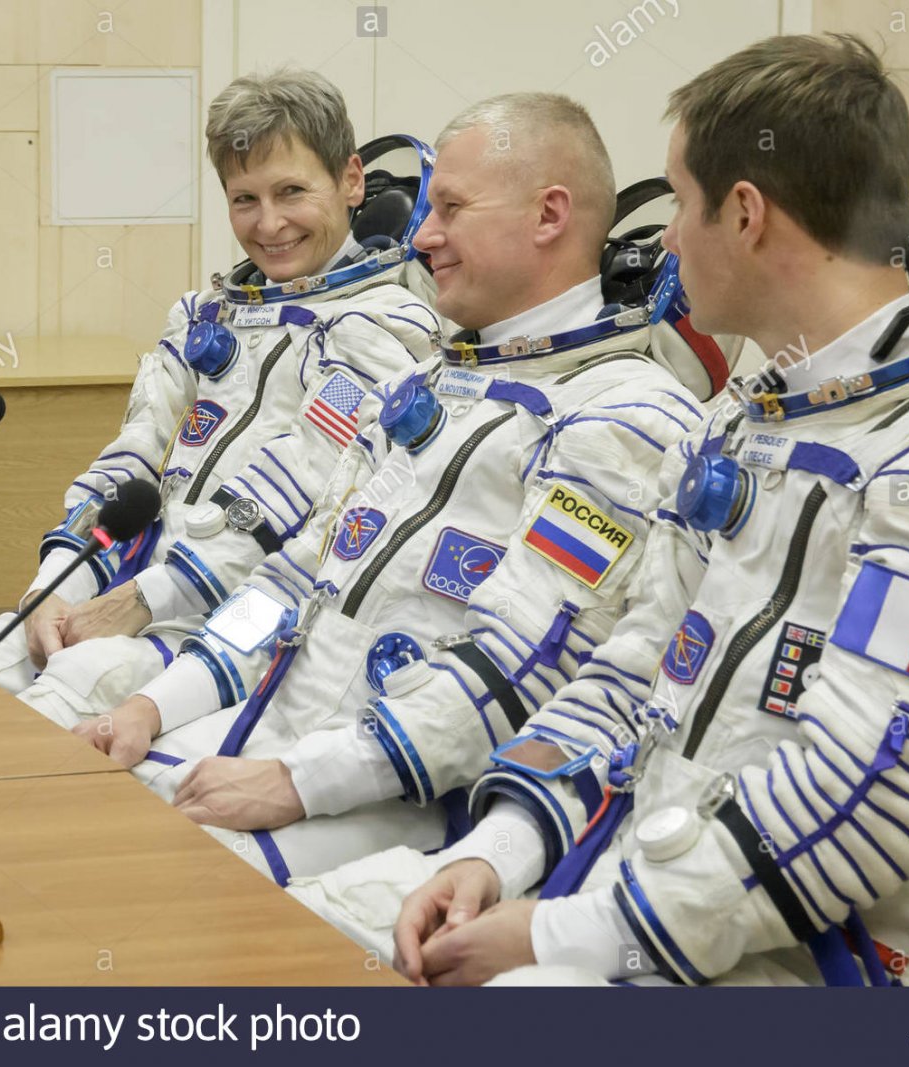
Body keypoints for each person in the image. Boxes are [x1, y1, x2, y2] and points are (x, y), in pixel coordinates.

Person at [370, 33, 909, 988]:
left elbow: (866, 793)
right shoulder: (739, 426)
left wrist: (563, 937)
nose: (661, 239)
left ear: (744, 213)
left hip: (887, 972)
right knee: (368, 944)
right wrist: (498, 849)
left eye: (682, 204)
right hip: (675, 903)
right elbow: (635, 671)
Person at [76, 92, 744, 882]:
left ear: (549, 215)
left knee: (150, 883)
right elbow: (294, 578)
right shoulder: (432, 382)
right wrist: (156, 705)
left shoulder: (625, 415)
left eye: (451, 209)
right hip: (267, 740)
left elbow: (519, 664)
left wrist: (303, 778)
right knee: (79, 812)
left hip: (404, 799)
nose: (421, 235)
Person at [0, 69, 438, 718]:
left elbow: (298, 489)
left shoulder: (383, 327)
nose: (270, 223)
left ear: (350, 181)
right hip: (126, 591)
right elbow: (133, 455)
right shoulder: (207, 314)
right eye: (244, 199)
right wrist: (54, 585)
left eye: (292, 191)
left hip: (239, 630)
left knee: (52, 705)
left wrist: (139, 602)